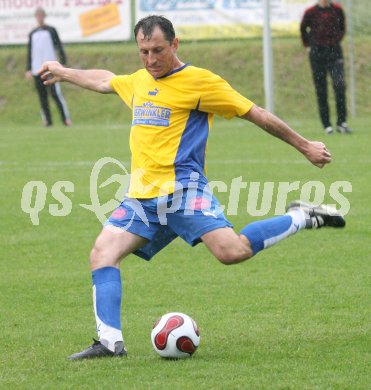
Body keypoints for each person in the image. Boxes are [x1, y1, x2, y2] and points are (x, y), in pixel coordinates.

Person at [39, 15, 345, 360]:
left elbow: (254, 112)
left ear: (175, 44)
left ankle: (302, 216)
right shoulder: (140, 81)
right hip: (142, 196)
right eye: (143, 52)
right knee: (102, 253)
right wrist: (64, 72)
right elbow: (106, 81)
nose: (151, 59)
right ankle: (109, 342)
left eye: (157, 50)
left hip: (184, 191)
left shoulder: (200, 82)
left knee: (233, 253)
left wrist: (303, 145)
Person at [300, 0, 351, 135]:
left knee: (339, 86)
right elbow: (303, 28)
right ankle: (327, 125)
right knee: (321, 89)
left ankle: (341, 123)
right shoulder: (310, 12)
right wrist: (309, 45)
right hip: (317, 55)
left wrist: (334, 41)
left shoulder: (337, 9)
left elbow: (342, 28)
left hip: (334, 53)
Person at [25, 7, 71, 127]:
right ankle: (47, 121)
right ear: (36, 17)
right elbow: (30, 52)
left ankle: (65, 119)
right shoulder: (32, 33)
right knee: (42, 97)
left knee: (56, 95)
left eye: (41, 16)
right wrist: (28, 68)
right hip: (37, 69)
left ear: (44, 17)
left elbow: (59, 46)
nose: (40, 18)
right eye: (38, 16)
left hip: (51, 69)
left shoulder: (51, 30)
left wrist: (63, 61)